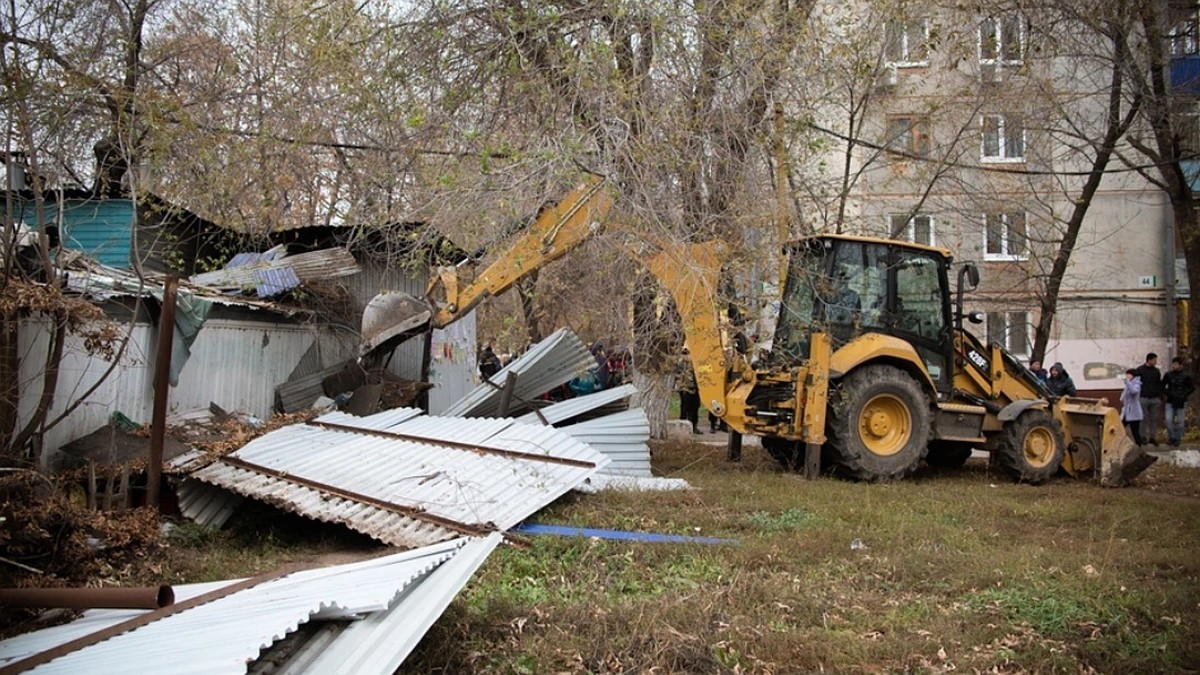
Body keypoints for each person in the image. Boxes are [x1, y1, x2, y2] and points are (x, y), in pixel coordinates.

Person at [1163, 356, 1195, 447]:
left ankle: (1177, 438)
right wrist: (1168, 393)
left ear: (1181, 365)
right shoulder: (1168, 375)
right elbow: (1162, 386)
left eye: (1176, 364)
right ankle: (1171, 437)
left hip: (1181, 401)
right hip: (1170, 401)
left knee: (1181, 421)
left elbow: (1192, 387)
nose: (1174, 366)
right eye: (1173, 364)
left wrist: (1184, 394)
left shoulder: (1186, 376)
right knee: (1169, 420)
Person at [1135, 353, 1164, 445]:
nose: (1156, 362)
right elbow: (1136, 383)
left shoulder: (1156, 371)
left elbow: (1159, 384)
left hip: (1155, 398)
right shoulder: (1140, 370)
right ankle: (1142, 436)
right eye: (1154, 360)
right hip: (1143, 397)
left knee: (1154, 418)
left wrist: (1160, 396)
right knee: (1143, 418)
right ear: (1149, 360)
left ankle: (1152, 436)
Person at [676, 349, 701, 434]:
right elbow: (678, 376)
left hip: (695, 388)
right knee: (685, 407)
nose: (686, 356)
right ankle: (683, 426)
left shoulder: (695, 363)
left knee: (695, 407)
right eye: (684, 354)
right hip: (685, 388)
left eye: (688, 354)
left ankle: (694, 426)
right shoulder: (681, 364)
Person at [1120, 368, 1145, 447]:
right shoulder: (1129, 384)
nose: (1127, 376)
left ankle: (1140, 447)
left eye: (1129, 374)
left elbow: (1134, 391)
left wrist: (1127, 382)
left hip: (1134, 413)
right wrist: (1121, 399)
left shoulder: (1137, 384)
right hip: (1126, 412)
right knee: (1119, 427)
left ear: (1133, 375)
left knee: (1135, 432)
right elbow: (1124, 394)